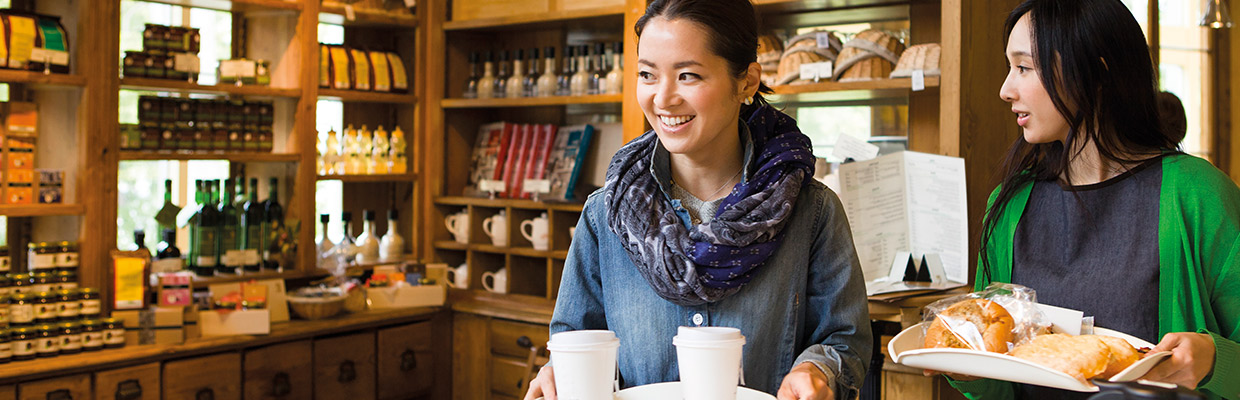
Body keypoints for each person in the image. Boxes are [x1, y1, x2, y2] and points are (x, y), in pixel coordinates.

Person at [523, 0, 872, 399]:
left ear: (747, 82)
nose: (663, 98)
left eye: (688, 75)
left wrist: (818, 370)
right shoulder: (607, 213)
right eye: (647, 75)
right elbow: (575, 336)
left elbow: (845, 339)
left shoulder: (811, 210)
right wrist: (557, 372)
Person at [946, 0, 1240, 398]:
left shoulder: (1196, 195)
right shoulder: (1009, 204)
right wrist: (964, 366)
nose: (1005, 89)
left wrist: (1212, 359)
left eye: (1024, 67)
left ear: (1096, 73)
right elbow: (997, 382)